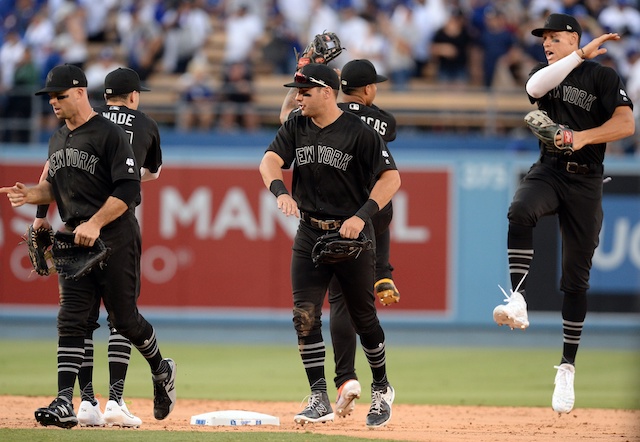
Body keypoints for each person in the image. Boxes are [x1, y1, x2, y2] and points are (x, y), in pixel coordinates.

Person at [0, 64, 176, 429]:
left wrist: (96, 222)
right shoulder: (57, 138)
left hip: (115, 235)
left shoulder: (110, 134)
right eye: (50, 97)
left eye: (60, 95)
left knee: (124, 320)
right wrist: (35, 198)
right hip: (73, 237)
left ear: (80, 92)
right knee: (72, 320)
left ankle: (161, 368)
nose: (53, 103)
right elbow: (57, 186)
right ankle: (66, 400)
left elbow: (129, 189)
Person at [492, 14, 634, 414]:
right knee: (520, 209)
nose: (547, 44)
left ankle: (567, 366)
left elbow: (625, 124)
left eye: (555, 37)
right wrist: (579, 54)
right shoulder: (545, 74)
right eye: (544, 39)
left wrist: (581, 137)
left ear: (573, 37)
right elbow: (533, 87)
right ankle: (517, 298)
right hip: (550, 170)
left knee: (576, 279)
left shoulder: (602, 78)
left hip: (587, 180)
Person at [259, 63, 401, 429]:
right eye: (297, 92)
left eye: (304, 92)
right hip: (309, 232)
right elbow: (269, 161)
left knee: (363, 317)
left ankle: (382, 389)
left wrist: (363, 215)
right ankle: (319, 396)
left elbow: (392, 178)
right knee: (304, 315)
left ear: (327, 92)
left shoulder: (360, 133)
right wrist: (280, 191)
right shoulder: (296, 125)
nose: (298, 97)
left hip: (351, 234)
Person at [74, 66, 163, 428]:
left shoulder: (87, 120)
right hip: (119, 224)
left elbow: (56, 166)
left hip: (78, 222)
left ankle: (84, 403)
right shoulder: (144, 123)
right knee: (120, 315)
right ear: (134, 96)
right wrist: (125, 174)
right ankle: (116, 400)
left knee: (80, 317)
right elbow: (153, 173)